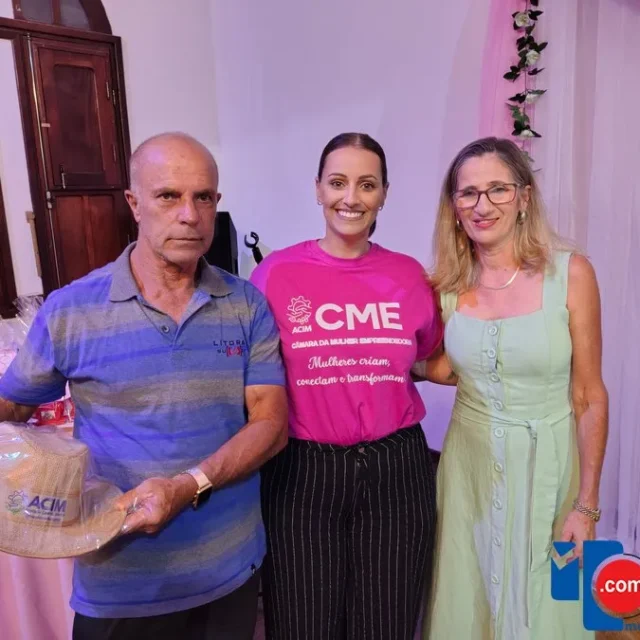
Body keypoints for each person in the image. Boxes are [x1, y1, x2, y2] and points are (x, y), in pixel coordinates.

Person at [0, 132, 288, 640]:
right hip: (120, 581)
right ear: (134, 204)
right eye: (168, 196)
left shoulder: (247, 305)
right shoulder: (71, 310)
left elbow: (271, 424)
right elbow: (13, 406)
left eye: (203, 197)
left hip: (228, 569)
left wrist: (187, 486)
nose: (189, 215)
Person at [250, 132, 443, 640]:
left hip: (396, 470)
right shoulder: (275, 274)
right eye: (337, 183)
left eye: (367, 184)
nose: (351, 198)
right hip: (302, 471)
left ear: (384, 194)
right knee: (302, 624)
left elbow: (426, 359)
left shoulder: (409, 277)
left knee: (387, 624)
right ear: (318, 188)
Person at [419, 137, 608, 639]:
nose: (482, 205)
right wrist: (387, 362)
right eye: (468, 193)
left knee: (551, 604)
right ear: (454, 206)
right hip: (470, 470)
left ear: (524, 197)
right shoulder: (445, 286)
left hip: (549, 467)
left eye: (497, 189)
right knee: (471, 595)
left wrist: (586, 505)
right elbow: (450, 367)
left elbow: (589, 396)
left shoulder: (571, 274)